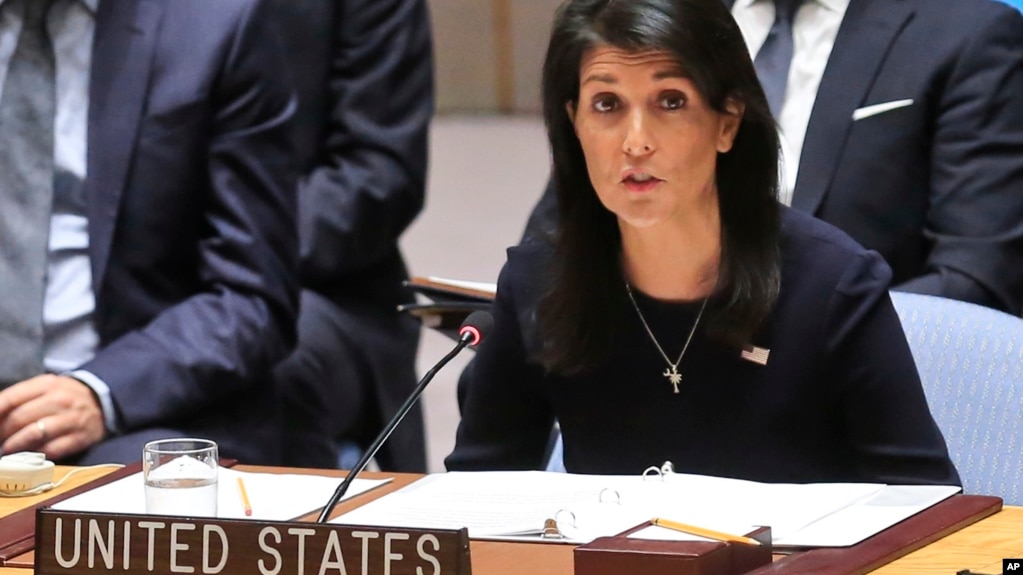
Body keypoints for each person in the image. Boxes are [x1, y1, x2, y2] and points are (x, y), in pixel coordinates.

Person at [446, 0, 960, 485]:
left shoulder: (831, 286)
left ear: (727, 122)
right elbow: (475, 501)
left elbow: (925, 504)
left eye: (670, 102)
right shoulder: (541, 282)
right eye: (607, 105)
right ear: (574, 123)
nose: (636, 141)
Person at [520, 0, 1023, 315]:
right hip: (645, 355)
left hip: (855, 378)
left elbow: (975, 273)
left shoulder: (966, 31)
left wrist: (813, 337)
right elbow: (566, 227)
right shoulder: (651, 21)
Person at [0, 0, 298, 465]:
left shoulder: (214, 26)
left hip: (126, 410)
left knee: (141, 507)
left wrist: (98, 392)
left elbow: (251, 297)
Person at [270, 0, 433, 471]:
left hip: (319, 284)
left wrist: (222, 251)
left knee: (267, 352)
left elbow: (376, 180)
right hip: (132, 273)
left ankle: (305, 540)